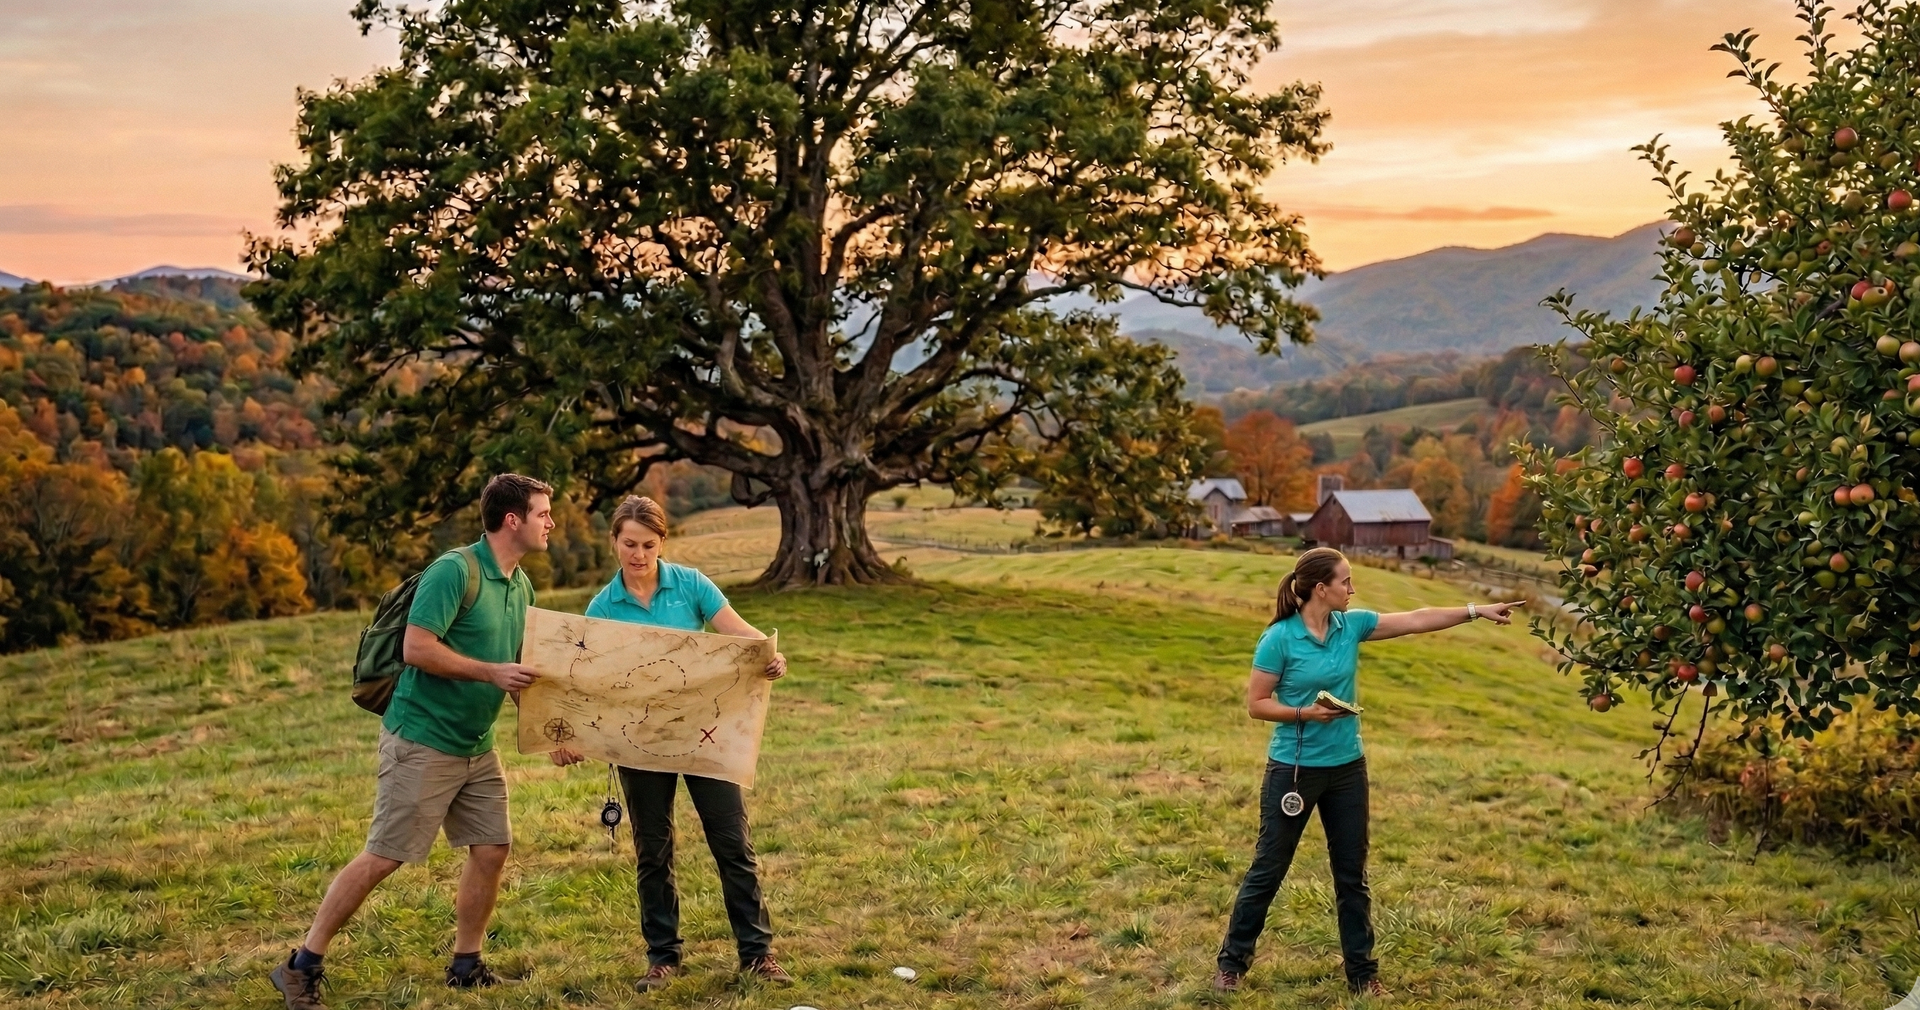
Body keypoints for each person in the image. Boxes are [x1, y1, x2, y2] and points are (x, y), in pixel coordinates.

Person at [271, 474, 555, 1010]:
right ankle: (300, 965)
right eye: (543, 513)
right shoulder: (456, 571)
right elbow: (417, 648)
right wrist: (490, 673)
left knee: (492, 847)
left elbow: (513, 671)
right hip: (422, 739)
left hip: (475, 743)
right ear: (512, 520)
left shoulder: (521, 584)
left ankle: (466, 965)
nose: (551, 523)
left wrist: (553, 733)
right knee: (384, 856)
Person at [1212, 547, 1521, 998]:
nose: (1352, 589)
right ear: (1322, 588)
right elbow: (1257, 704)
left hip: (1346, 770)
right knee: (1269, 869)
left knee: (1351, 876)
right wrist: (1303, 713)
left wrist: (1476, 610)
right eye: (1346, 581)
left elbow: (1416, 618)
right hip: (1294, 771)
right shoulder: (1279, 638)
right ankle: (1230, 965)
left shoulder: (1349, 626)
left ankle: (1362, 975)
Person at [548, 495, 791, 993]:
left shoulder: (691, 585)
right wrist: (566, 734)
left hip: (706, 734)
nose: (638, 555)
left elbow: (740, 637)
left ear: (662, 543)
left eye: (648, 545)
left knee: (732, 843)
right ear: (614, 541)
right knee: (652, 849)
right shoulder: (602, 606)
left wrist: (768, 657)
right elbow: (582, 680)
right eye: (629, 544)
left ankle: (757, 953)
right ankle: (663, 957)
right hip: (640, 743)